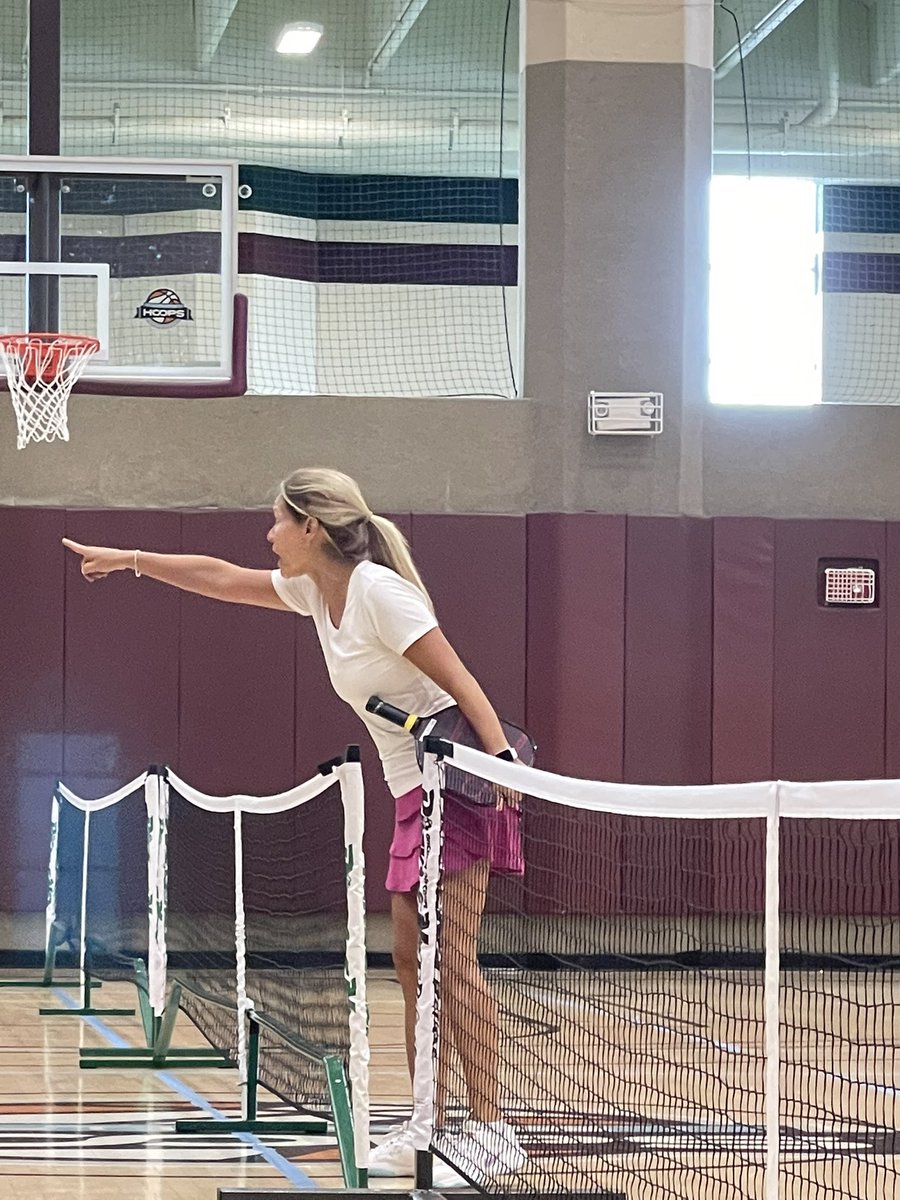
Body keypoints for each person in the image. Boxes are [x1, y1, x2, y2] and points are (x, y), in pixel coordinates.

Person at [62, 467, 527, 1189]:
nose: (268, 534)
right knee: (410, 962)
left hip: (458, 785)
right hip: (412, 792)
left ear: (312, 528)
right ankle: (425, 1122)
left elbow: (465, 686)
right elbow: (220, 578)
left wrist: (502, 773)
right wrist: (131, 560)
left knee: (451, 961)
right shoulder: (317, 592)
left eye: (277, 520)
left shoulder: (378, 591)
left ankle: (494, 1130)